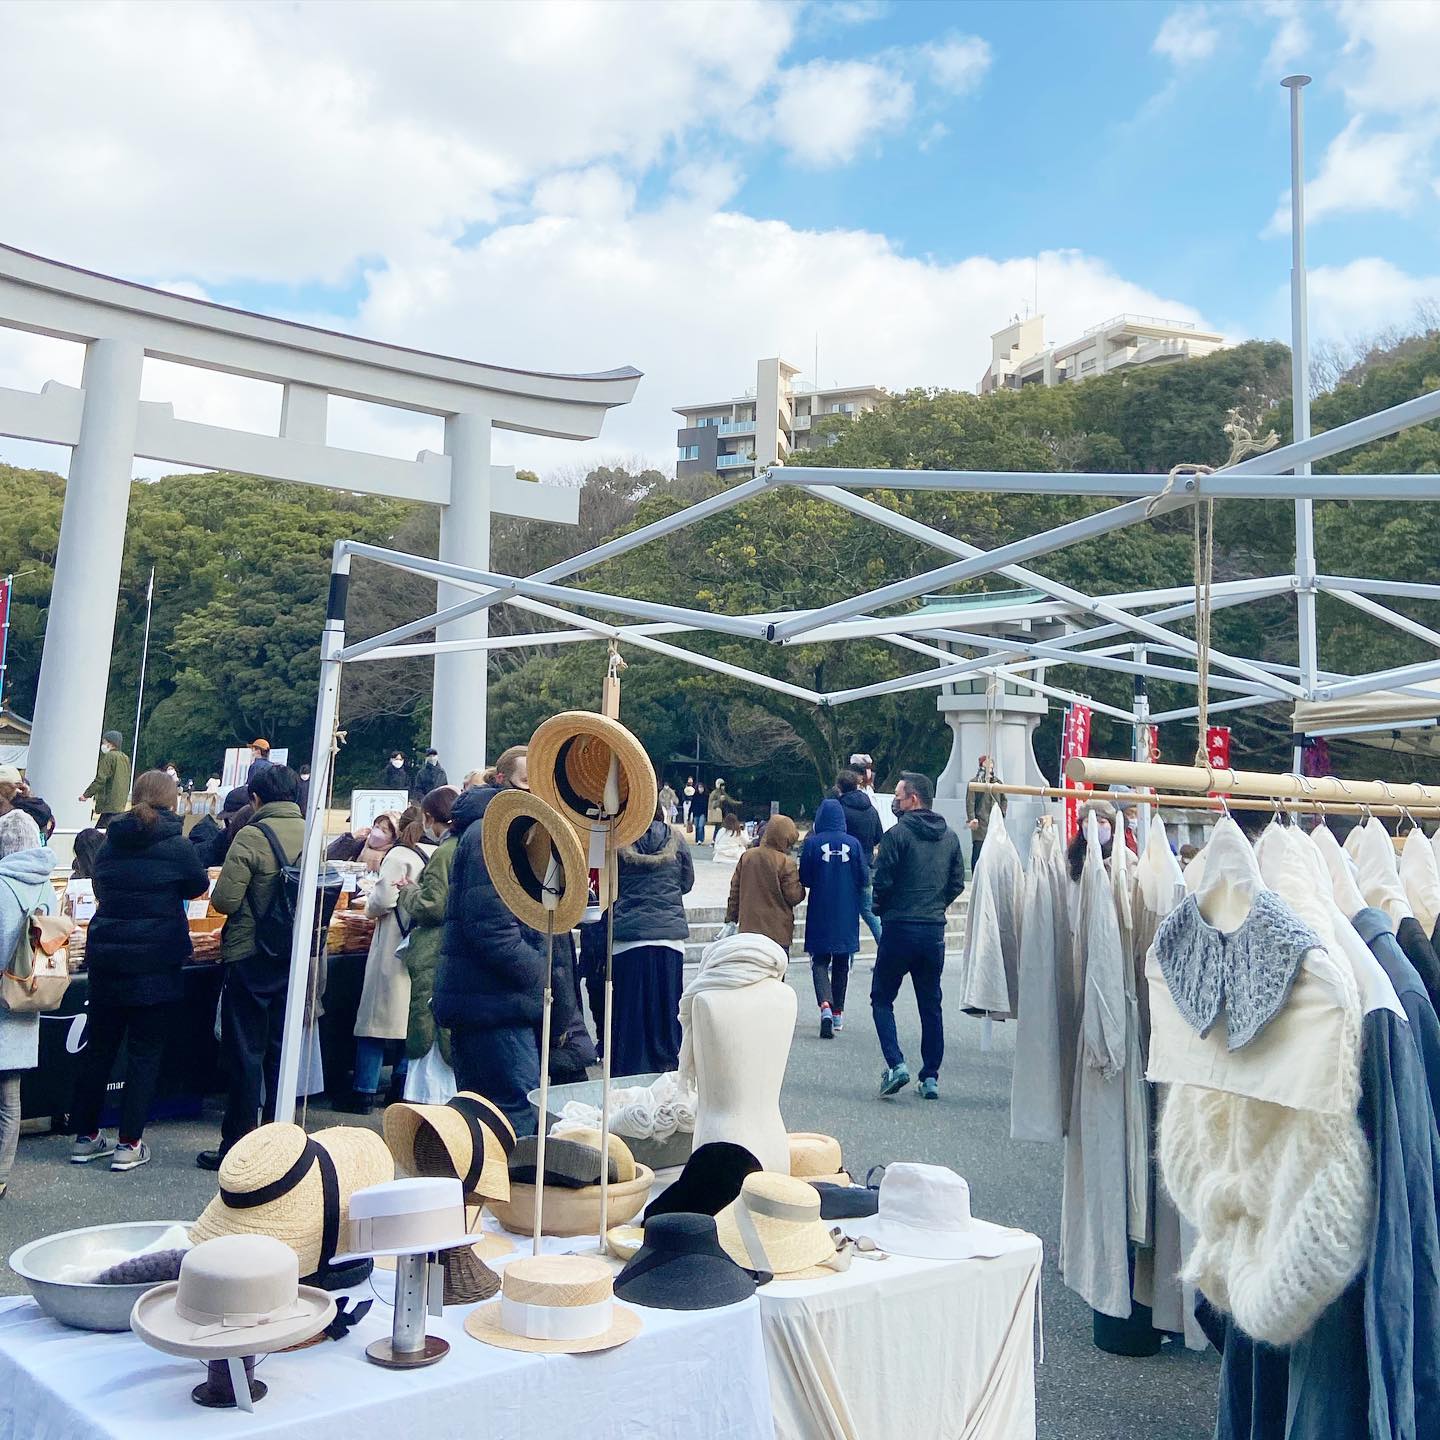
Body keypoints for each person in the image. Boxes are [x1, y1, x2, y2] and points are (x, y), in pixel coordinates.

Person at [69, 771, 209, 1172]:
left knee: (100, 1050)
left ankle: (85, 1136)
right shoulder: (177, 845)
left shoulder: (111, 841)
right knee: (144, 1055)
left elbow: (101, 886)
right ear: (172, 800)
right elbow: (197, 886)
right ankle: (129, 1143)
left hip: (108, 957)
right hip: (156, 962)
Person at [197, 765, 305, 1169]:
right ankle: (282, 1143)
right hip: (294, 954)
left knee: (246, 1051)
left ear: (256, 800)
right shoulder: (314, 835)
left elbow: (224, 900)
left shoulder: (252, 835)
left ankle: (239, 1145)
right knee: (281, 1049)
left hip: (250, 951)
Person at [432, 783, 547, 1136]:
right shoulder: (491, 836)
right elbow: (491, 930)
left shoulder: (499, 833)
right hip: (495, 1006)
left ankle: (485, 1188)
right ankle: (504, 1191)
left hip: (491, 1002)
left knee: (487, 1118)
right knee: (513, 1118)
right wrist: (540, 973)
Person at [870, 771, 965, 1101]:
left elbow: (882, 882)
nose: (895, 800)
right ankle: (931, 1075)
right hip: (932, 929)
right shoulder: (949, 837)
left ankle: (896, 1063)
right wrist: (937, 905)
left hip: (899, 925)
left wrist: (881, 908)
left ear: (912, 799)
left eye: (898, 795)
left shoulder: (896, 836)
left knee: (882, 998)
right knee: (931, 1004)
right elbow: (957, 882)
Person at [344, 811, 430, 1114]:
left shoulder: (400, 856)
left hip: (392, 943)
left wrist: (369, 907)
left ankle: (363, 1091)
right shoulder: (432, 853)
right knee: (408, 1021)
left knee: (375, 1022)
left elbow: (382, 900)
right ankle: (400, 1086)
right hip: (419, 944)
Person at [600, 805, 694, 1075]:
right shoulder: (676, 839)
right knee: (667, 1011)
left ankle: (629, 1071)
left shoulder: (614, 839)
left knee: (631, 1013)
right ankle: (667, 1068)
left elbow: (603, 882)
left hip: (629, 937)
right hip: (669, 937)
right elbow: (686, 881)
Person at [0, 818, 54, 1199]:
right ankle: (1, 1175)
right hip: (25, 997)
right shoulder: (47, 885)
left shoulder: (0, 885)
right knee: (10, 1096)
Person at [396, 787, 460, 1079]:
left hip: (435, 948)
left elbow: (433, 906)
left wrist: (409, 892)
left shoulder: (444, 852)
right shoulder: (468, 843)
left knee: (428, 1023)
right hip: (457, 949)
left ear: (429, 817)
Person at [800, 796, 869, 1040]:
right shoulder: (855, 844)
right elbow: (864, 878)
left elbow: (805, 878)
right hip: (847, 909)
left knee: (819, 960)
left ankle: (825, 1005)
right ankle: (838, 1011)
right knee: (841, 961)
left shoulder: (811, 843)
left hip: (820, 908)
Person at [725, 813, 804, 953]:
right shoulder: (786, 862)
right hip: (777, 932)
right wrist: (802, 886)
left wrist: (731, 917)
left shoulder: (748, 856)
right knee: (775, 973)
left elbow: (735, 891)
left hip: (749, 930)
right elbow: (794, 896)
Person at [835, 769, 883, 946]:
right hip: (866, 865)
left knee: (846, 913)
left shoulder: (839, 809)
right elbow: (879, 836)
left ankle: (846, 957)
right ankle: (885, 949)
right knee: (869, 912)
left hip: (843, 867)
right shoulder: (871, 809)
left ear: (839, 787)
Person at [80, 730, 131, 827]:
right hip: (120, 804)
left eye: (104, 742)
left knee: (99, 834)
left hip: (109, 803)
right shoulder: (125, 758)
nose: (103, 745)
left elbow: (101, 779)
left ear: (111, 744)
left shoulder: (109, 757)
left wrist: (86, 794)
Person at [965, 754, 1006, 873]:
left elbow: (1004, 799)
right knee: (978, 849)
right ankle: (976, 875)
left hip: (995, 821)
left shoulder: (998, 782)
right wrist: (972, 818)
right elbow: (970, 802)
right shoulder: (975, 782)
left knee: (995, 850)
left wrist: (1002, 813)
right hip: (980, 822)